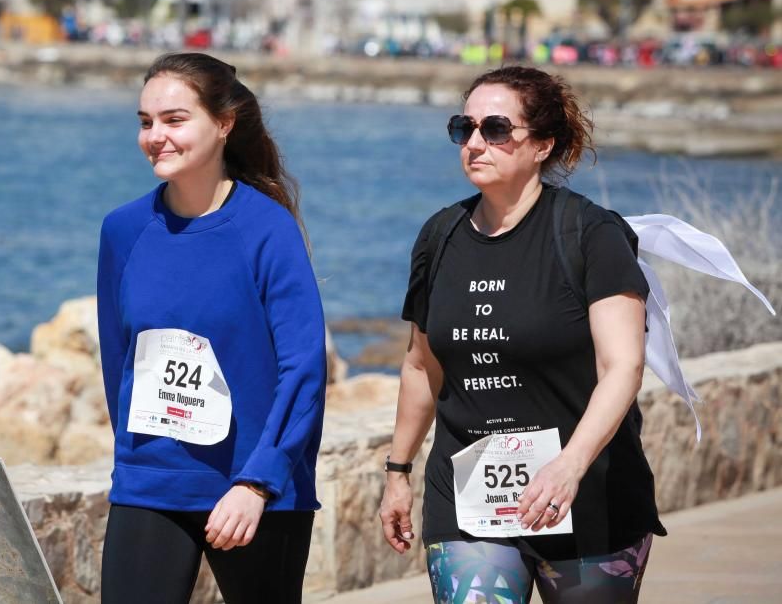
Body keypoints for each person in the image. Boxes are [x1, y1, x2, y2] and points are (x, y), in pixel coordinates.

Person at [379, 65, 666, 604]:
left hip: (586, 493)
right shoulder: (439, 236)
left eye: (495, 129)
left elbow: (623, 366)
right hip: (469, 500)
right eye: (463, 129)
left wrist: (568, 466)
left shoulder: (592, 233)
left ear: (542, 145)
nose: (475, 143)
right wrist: (398, 472)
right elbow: (421, 365)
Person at [97, 52, 326, 604]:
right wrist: (134, 457)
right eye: (146, 122)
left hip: (256, 491)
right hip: (150, 482)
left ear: (224, 124)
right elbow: (117, 362)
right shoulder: (122, 230)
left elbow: (303, 367)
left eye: (174, 120)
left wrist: (258, 481)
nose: (156, 136)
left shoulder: (268, 227)